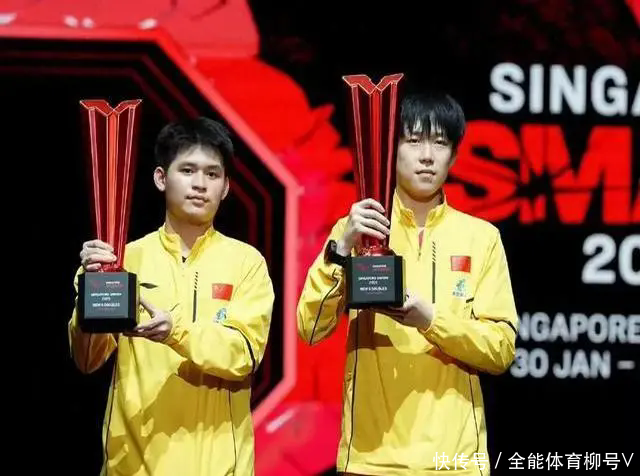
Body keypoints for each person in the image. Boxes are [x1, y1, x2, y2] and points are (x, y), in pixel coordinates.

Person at [297, 92, 519, 475]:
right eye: (413, 140)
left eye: (440, 143)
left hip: (454, 462)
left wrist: (430, 320)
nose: (427, 156)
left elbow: (500, 350)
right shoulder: (357, 231)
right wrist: (342, 248)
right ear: (390, 149)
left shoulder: (481, 238)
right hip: (371, 460)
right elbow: (311, 328)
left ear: (454, 155)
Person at [69, 117, 274, 476]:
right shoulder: (124, 261)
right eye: (188, 170)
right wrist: (90, 291)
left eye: (212, 174)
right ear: (161, 178)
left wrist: (174, 331)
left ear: (226, 187)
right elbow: (87, 359)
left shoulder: (247, 262)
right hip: (132, 467)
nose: (200, 184)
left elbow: (243, 355)